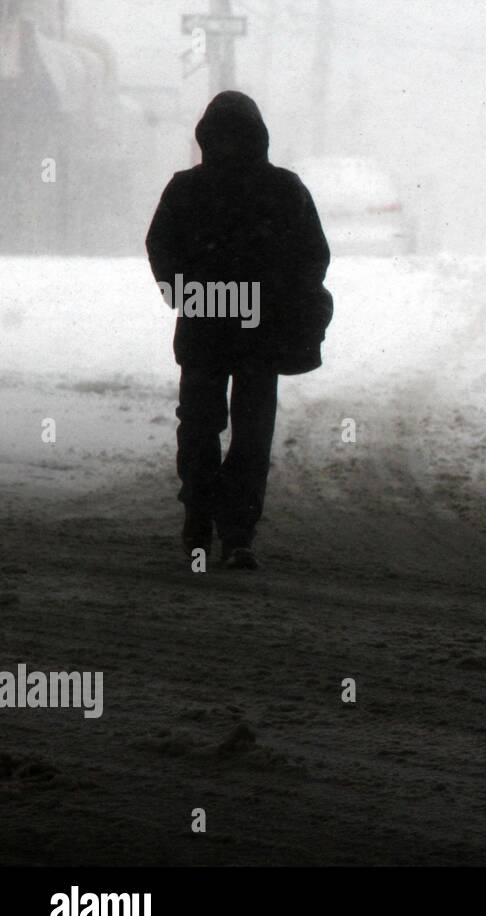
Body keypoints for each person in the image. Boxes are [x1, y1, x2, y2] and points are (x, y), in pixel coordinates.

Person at [146, 91, 331, 570]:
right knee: (248, 434)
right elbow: (312, 256)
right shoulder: (284, 189)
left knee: (204, 429)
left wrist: (189, 294)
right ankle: (234, 534)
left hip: (208, 330)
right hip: (258, 336)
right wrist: (284, 301)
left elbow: (161, 248)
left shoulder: (186, 189)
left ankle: (202, 525)